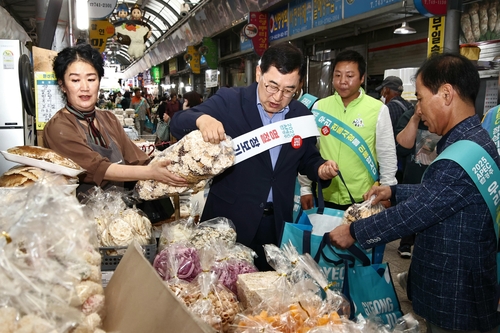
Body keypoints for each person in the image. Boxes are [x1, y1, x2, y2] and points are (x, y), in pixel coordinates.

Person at [329, 53, 500, 332]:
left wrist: (354, 232)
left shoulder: (463, 152)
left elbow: (415, 214)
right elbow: (441, 195)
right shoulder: (475, 139)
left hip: (456, 294)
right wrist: (393, 192)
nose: (418, 109)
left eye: (420, 98)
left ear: (446, 94)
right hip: (467, 282)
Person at [170, 42, 339, 271]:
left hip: (276, 223)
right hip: (229, 221)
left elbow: (308, 157)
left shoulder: (300, 114)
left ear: (299, 85)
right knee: (222, 294)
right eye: (272, 86)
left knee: (267, 297)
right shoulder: (231, 101)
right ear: (259, 73)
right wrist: (202, 120)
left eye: (289, 90)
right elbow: (178, 122)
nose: (278, 97)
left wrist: (320, 169)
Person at [43, 43, 187, 196]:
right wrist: (149, 172)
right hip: (79, 215)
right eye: (75, 80)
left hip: (119, 212)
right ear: (62, 85)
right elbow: (97, 168)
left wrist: (173, 164)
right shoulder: (59, 127)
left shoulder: (108, 119)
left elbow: (135, 158)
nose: (84, 87)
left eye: (91, 79)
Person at [300, 50, 397, 211]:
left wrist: (388, 190)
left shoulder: (377, 109)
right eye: (337, 75)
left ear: (362, 78)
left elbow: (386, 153)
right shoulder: (319, 107)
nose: (342, 81)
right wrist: (305, 188)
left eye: (349, 76)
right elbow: (309, 150)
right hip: (324, 195)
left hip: (363, 198)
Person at [393, 98, 441, 259]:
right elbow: (402, 148)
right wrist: (415, 117)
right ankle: (405, 243)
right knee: (410, 209)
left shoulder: (442, 116)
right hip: (413, 174)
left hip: (436, 175)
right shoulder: (408, 116)